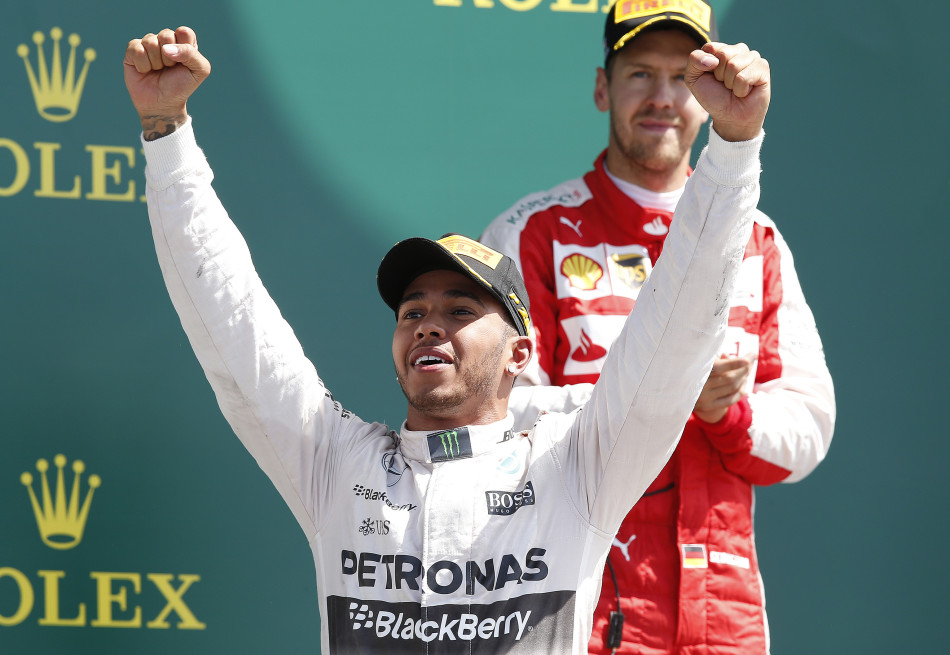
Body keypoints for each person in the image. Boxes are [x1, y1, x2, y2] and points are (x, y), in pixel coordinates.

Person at [124, 23, 771, 654]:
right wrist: (165, 131)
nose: (430, 322)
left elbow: (674, 333)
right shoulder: (336, 464)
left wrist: (734, 147)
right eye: (412, 311)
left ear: (523, 353)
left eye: (462, 309)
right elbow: (231, 321)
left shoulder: (575, 467)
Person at [480, 3, 835, 654]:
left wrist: (728, 413)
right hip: (582, 614)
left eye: (684, 77)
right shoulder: (533, 233)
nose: (663, 97)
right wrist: (653, 398)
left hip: (724, 621)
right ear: (601, 87)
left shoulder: (756, 241)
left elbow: (809, 428)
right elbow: (496, 427)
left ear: (710, 98)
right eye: (641, 73)